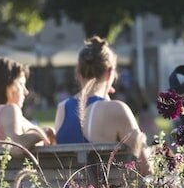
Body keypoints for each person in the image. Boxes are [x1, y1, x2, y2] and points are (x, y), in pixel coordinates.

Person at [53, 37, 151, 176]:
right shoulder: (116, 110)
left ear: (78, 73)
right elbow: (146, 169)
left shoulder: (62, 108)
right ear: (110, 72)